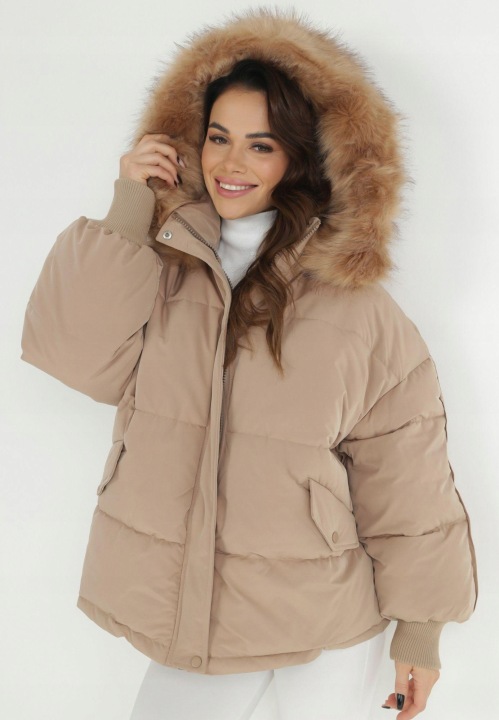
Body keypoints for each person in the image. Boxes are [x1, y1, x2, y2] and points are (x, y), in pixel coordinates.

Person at [20, 7, 477, 720]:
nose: (230, 164)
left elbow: (406, 476)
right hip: (196, 614)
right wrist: (130, 208)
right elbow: (72, 357)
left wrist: (421, 629)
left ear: (301, 157)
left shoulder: (356, 308)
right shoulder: (160, 271)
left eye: (260, 145)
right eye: (218, 137)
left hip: (325, 623)